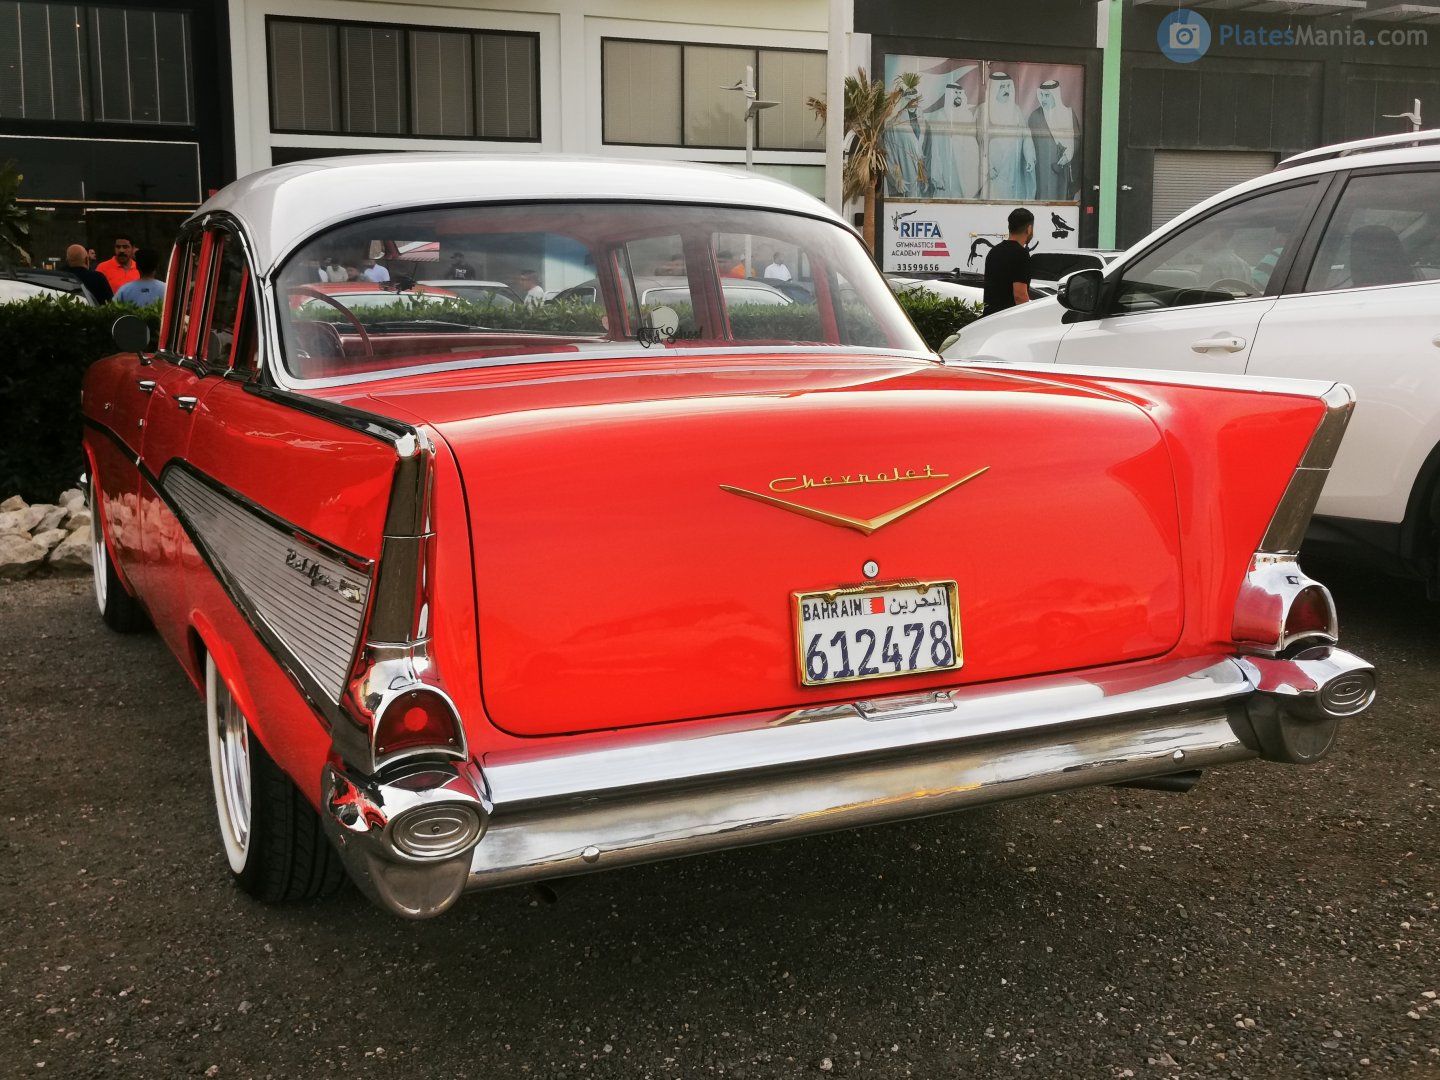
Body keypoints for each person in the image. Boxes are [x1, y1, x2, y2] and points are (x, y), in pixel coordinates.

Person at [982, 72, 1036, 201]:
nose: (1006, 90)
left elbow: (1026, 136)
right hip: (994, 172)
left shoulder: (1016, 111)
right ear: (994, 89)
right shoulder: (983, 111)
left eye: (1008, 87)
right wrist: (986, 167)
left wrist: (1029, 158)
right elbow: (975, 144)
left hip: (1013, 170)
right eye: (1002, 87)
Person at [1028, 79, 1080, 202]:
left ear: (1055, 96)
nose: (1044, 99)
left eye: (1047, 95)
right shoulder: (1035, 116)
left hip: (1063, 170)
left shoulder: (1068, 114)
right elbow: (1029, 144)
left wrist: (1068, 155)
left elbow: (1077, 139)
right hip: (1043, 171)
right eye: (1042, 95)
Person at [982, 208, 1034, 317]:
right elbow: (1019, 296)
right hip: (1008, 321)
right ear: (1029, 229)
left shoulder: (994, 251)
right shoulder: (1021, 254)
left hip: (988, 319)